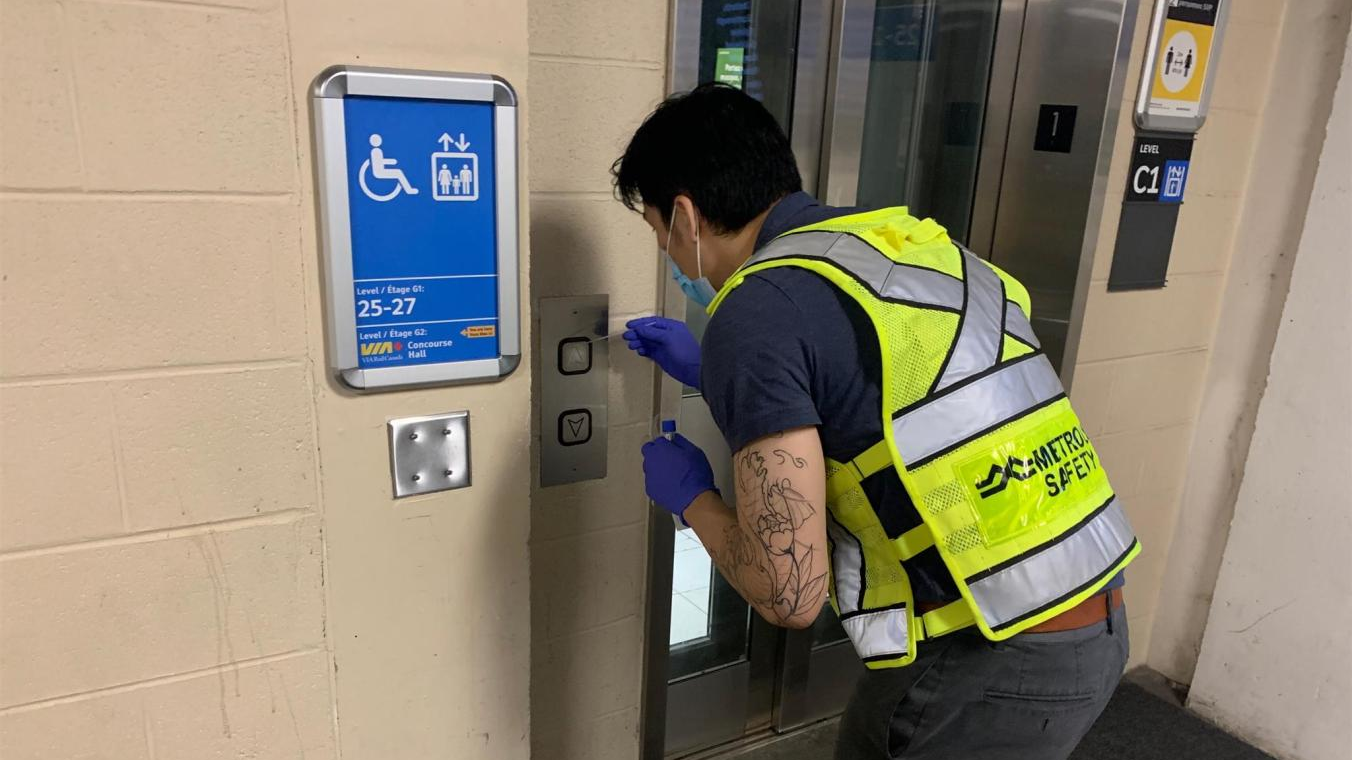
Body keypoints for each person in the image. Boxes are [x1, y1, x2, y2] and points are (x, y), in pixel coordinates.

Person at [613, 83, 1137, 760]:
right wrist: (711, 372)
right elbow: (875, 398)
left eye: (659, 233)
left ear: (685, 216)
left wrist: (692, 499)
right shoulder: (898, 249)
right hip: (1093, 616)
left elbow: (790, 591)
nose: (670, 254)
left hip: (987, 660)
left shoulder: (755, 310)